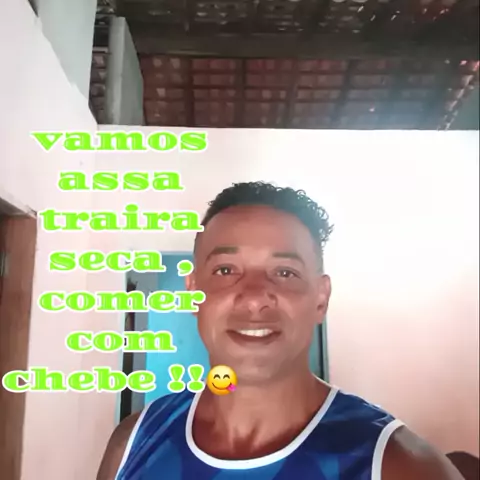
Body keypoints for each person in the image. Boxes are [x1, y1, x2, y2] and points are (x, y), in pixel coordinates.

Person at [97, 182, 463, 479]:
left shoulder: (399, 465)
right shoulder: (133, 442)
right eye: (226, 270)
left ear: (320, 298)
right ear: (194, 293)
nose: (255, 298)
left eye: (285, 273)